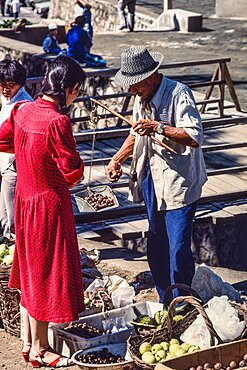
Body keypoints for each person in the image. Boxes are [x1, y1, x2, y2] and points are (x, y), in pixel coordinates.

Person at [0, 55, 86, 367]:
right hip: (48, 206)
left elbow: (4, 140)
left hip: (25, 200)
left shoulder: (24, 110)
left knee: (30, 274)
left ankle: (28, 342)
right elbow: (72, 172)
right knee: (48, 275)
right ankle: (40, 347)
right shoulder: (57, 121)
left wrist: (30, 157)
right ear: (71, 89)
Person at [106, 46, 207, 303]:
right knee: (156, 244)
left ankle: (183, 301)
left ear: (150, 77)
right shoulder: (142, 98)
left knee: (178, 248)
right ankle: (165, 301)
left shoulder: (178, 94)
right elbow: (135, 133)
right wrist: (117, 159)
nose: (131, 90)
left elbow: (194, 136)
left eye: (134, 84)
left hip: (178, 181)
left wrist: (160, 127)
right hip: (152, 177)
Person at [0, 59, 33, 241]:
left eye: (10, 85)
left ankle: (18, 254)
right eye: (2, 84)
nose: (5, 89)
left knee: (12, 217)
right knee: (3, 215)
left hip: (15, 165)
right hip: (4, 164)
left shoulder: (23, 105)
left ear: (19, 84)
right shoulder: (7, 100)